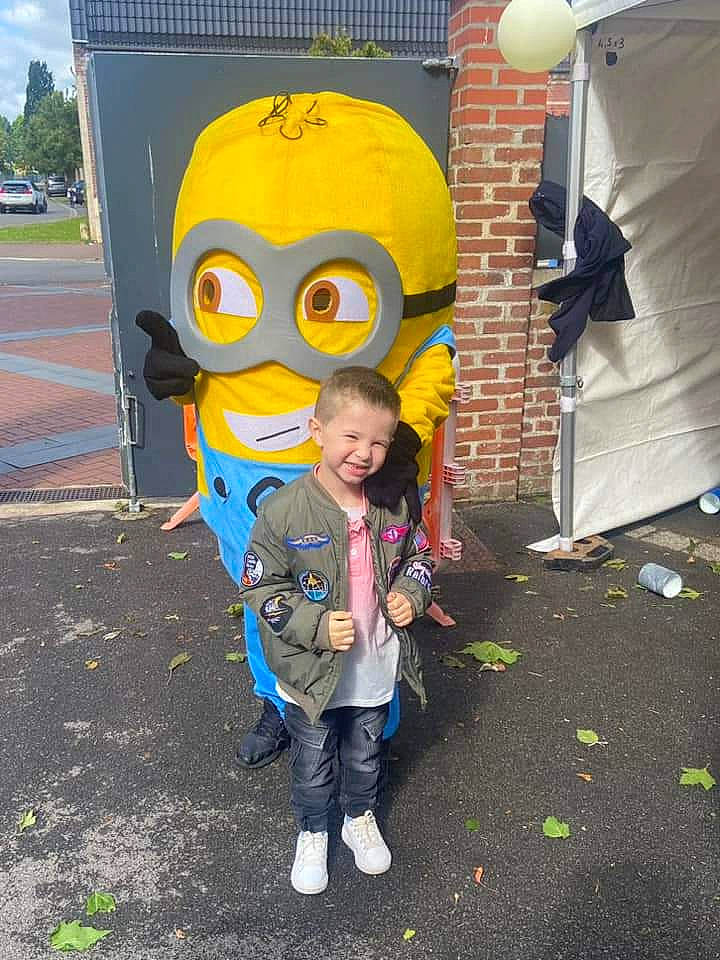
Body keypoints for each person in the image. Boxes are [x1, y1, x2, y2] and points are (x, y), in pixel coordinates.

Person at [136, 91, 457, 769]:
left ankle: (371, 723)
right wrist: (179, 379)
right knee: (271, 602)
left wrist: (399, 439)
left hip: (359, 497)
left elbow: (434, 358)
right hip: (246, 489)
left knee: (366, 607)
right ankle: (276, 701)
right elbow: (215, 358)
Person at [239, 367, 432, 894]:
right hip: (310, 673)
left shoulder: (394, 503)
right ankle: (313, 830)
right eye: (351, 436)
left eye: (379, 442)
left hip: (373, 666)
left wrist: (411, 593)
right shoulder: (283, 510)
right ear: (317, 429)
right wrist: (317, 625)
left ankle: (357, 818)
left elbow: (419, 556)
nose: (364, 453)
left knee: (366, 755)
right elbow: (260, 586)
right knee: (312, 760)